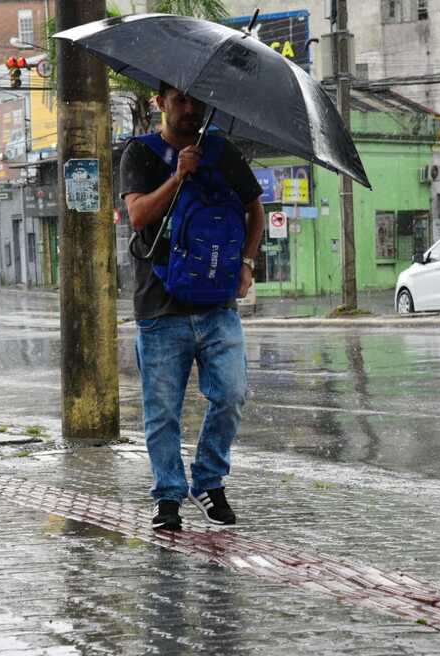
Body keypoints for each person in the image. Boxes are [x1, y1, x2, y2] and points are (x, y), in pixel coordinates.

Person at [120, 83, 265, 532]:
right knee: (162, 411)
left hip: (217, 303)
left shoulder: (222, 151)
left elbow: (255, 209)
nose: (189, 109)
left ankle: (208, 479)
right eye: (178, 100)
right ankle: (167, 497)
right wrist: (178, 175)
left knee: (232, 393)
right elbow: (139, 215)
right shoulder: (139, 153)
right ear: (159, 102)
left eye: (196, 101)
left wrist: (246, 262)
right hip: (160, 307)